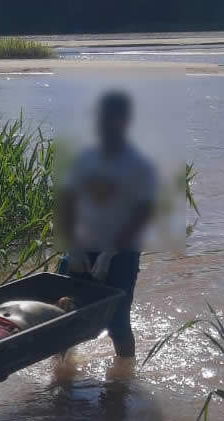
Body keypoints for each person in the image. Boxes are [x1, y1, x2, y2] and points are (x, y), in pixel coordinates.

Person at [55, 90, 158, 362]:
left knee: (118, 323)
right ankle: (61, 375)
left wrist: (111, 252)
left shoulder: (138, 165)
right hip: (82, 247)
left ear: (123, 121)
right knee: (62, 312)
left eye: (109, 119)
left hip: (121, 252)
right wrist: (72, 247)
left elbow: (142, 214)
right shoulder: (84, 159)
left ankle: (125, 379)